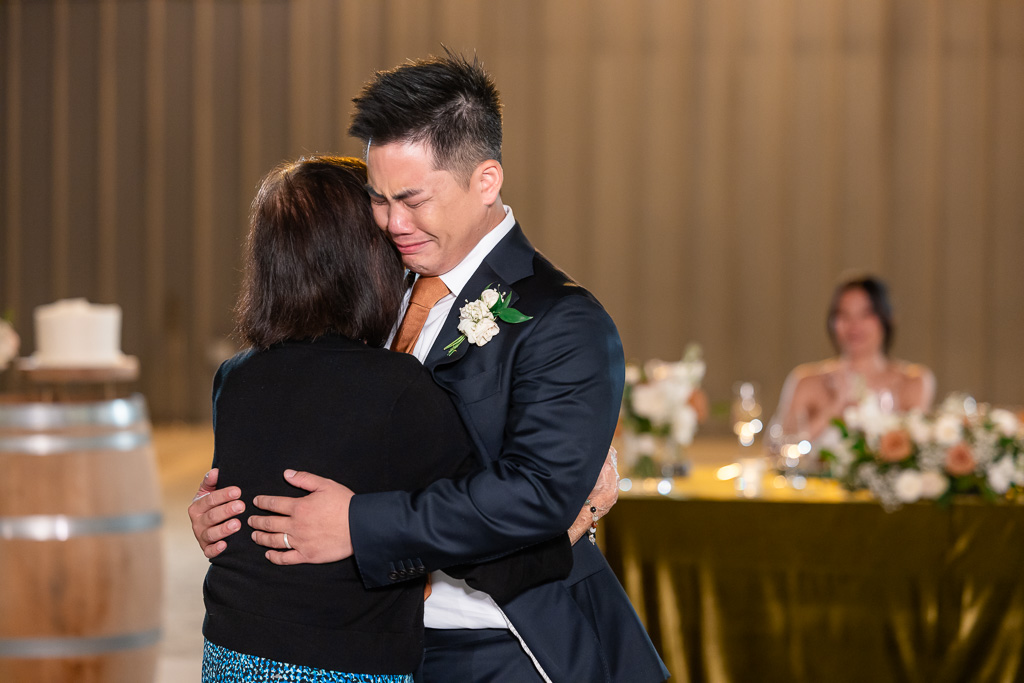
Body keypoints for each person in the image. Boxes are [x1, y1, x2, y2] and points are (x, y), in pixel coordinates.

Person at [190, 51, 668, 682]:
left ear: (486, 181)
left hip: (500, 644)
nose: (393, 223)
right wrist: (230, 511)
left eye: (413, 199)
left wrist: (360, 525)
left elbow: (537, 494)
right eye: (379, 200)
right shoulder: (371, 283)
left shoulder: (562, 318)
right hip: (370, 647)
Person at [201, 156, 571, 682]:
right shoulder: (396, 388)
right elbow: (481, 541)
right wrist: (574, 524)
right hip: (341, 664)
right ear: (368, 260)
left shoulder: (235, 378)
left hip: (229, 650)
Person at [770, 274, 936, 445]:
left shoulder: (913, 381)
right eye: (844, 314)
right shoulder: (806, 381)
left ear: (886, 318)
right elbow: (780, 448)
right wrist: (835, 406)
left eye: (865, 314)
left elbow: (917, 447)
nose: (854, 325)